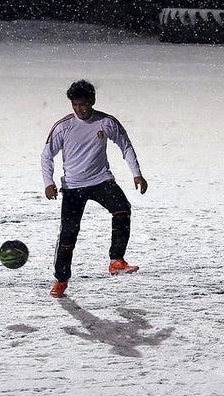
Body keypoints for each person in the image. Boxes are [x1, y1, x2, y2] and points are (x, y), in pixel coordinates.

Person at [40, 79, 147, 299]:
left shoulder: (106, 122)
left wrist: (136, 173)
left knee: (122, 209)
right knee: (68, 235)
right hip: (73, 187)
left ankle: (116, 260)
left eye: (83, 104)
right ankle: (61, 279)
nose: (79, 109)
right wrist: (48, 182)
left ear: (93, 101)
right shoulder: (64, 126)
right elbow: (46, 155)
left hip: (101, 181)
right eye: (75, 105)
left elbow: (125, 146)